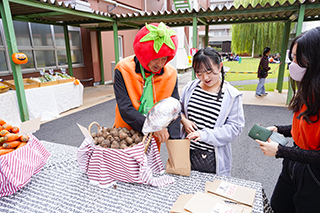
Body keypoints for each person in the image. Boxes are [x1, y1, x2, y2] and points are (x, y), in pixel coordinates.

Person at [255, 27, 320, 212]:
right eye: (292, 57)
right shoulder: (307, 90)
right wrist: (279, 129)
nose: (293, 64)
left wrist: (281, 151)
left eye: (299, 59)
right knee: (278, 206)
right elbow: (305, 127)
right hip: (292, 167)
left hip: (314, 175)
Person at [113, 22, 181, 152]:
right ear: (144, 53)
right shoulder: (123, 69)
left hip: (153, 137)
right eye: (156, 58)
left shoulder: (171, 74)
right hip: (124, 135)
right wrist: (154, 128)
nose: (160, 64)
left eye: (164, 58)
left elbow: (174, 110)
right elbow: (125, 108)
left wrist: (175, 141)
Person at [180, 47, 245, 176]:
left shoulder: (231, 95)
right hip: (185, 153)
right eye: (199, 73)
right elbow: (178, 110)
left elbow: (235, 128)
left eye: (209, 71)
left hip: (212, 159)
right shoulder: (190, 88)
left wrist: (204, 135)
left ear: (220, 66)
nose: (205, 77)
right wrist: (184, 121)